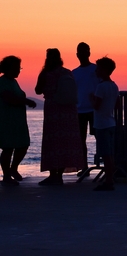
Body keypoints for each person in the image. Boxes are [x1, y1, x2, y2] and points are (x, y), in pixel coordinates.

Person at [35, 48, 85, 185]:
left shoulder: (46, 73)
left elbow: (38, 90)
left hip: (53, 110)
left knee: (53, 141)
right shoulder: (67, 72)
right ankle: (60, 174)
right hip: (69, 111)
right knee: (65, 142)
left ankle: (53, 175)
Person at [0, 56, 37, 186]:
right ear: (9, 68)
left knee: (23, 145)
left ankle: (13, 169)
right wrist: (26, 101)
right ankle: (7, 175)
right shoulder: (3, 82)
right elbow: (9, 98)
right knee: (8, 148)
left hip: (18, 120)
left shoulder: (14, 82)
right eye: (17, 68)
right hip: (7, 120)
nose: (19, 71)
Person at [90, 57, 119, 191]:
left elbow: (96, 106)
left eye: (98, 68)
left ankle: (108, 181)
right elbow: (117, 104)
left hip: (102, 124)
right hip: (111, 122)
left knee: (106, 154)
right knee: (110, 154)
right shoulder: (114, 86)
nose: (96, 70)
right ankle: (110, 179)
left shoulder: (101, 87)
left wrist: (91, 98)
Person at [72, 42, 99, 175]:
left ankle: (104, 165)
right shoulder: (74, 73)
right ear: (77, 54)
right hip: (79, 110)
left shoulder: (96, 69)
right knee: (80, 140)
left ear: (89, 53)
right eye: (80, 52)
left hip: (95, 110)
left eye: (85, 51)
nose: (83, 54)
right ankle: (84, 167)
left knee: (100, 137)